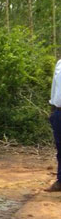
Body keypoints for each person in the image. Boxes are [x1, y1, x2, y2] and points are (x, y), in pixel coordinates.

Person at [48, 58, 61, 191]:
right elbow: (54, 88)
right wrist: (52, 109)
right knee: (60, 148)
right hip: (59, 112)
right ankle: (60, 181)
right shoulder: (59, 63)